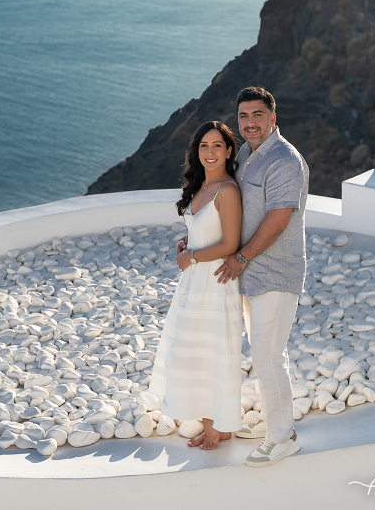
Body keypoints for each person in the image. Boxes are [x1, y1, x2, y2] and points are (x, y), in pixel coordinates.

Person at [215, 87, 309, 468]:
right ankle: (276, 423)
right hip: (249, 273)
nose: (249, 123)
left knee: (269, 358)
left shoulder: (285, 161)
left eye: (257, 115)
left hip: (274, 273)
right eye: (243, 116)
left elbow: (278, 219)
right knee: (263, 354)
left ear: (273, 116)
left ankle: (282, 438)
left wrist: (239, 256)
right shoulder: (245, 153)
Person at [149, 121, 243, 450]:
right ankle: (209, 423)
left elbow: (230, 243)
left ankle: (220, 426)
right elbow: (208, 229)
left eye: (217, 146)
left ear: (229, 150)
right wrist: (189, 242)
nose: (210, 152)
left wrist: (193, 257)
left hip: (216, 282)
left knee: (215, 354)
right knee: (195, 354)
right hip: (195, 282)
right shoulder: (201, 186)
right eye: (204, 146)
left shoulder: (227, 191)